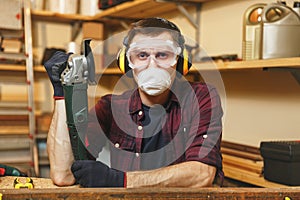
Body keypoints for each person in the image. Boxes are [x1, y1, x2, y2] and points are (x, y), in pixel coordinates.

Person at [44, 17, 224, 188]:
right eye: (142, 55)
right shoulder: (111, 107)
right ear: (127, 62)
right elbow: (63, 175)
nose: (152, 65)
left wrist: (118, 180)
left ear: (179, 62)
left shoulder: (200, 98)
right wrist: (62, 92)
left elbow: (202, 173)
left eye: (162, 55)